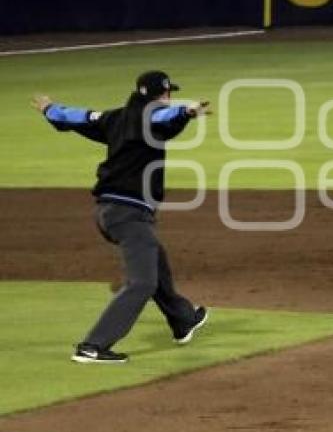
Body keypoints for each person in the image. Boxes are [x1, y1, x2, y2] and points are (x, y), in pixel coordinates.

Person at [32, 70, 211, 364]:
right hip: (128, 214)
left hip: (108, 211)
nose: (170, 99)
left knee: (156, 261)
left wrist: (51, 109)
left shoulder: (114, 118)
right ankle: (92, 345)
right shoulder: (152, 117)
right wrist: (187, 112)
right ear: (162, 94)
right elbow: (163, 118)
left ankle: (183, 320)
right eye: (169, 94)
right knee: (142, 283)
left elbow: (78, 117)